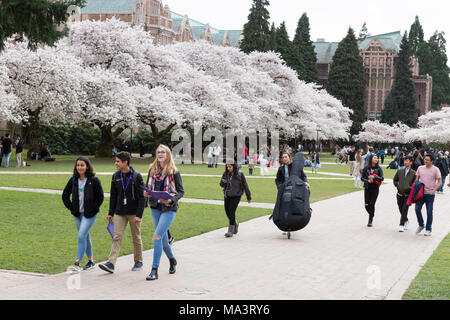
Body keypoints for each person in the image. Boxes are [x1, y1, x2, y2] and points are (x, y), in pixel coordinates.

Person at [99, 152, 145, 274]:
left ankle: (138, 261)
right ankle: (111, 263)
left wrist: (139, 215)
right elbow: (113, 196)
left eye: (118, 161)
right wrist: (110, 213)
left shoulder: (137, 176)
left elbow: (142, 197)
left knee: (136, 237)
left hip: (134, 213)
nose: (116, 163)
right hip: (120, 212)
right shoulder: (115, 176)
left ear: (125, 162)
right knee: (117, 237)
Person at [144, 145, 184, 280]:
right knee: (162, 239)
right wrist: (145, 195)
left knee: (156, 236)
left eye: (163, 152)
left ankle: (154, 270)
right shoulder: (151, 170)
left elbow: (181, 191)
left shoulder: (174, 171)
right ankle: (172, 260)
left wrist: (172, 200)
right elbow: (147, 188)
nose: (160, 154)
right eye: (158, 152)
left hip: (169, 209)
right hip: (155, 207)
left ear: (167, 155)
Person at [62, 157, 104, 271]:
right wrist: (72, 208)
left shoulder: (94, 180)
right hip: (77, 213)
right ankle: (91, 261)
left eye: (82, 165)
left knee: (81, 235)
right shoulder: (73, 180)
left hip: (89, 214)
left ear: (87, 166)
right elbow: (65, 195)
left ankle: (77, 263)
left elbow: (100, 197)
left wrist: (92, 209)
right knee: (85, 236)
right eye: (78, 165)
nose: (79, 167)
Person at [220, 161, 251, 238]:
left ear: (234, 166)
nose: (228, 168)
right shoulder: (225, 173)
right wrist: (223, 182)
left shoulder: (240, 174)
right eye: (227, 167)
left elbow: (245, 185)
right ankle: (235, 224)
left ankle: (230, 230)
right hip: (227, 195)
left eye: (230, 167)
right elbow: (221, 184)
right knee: (227, 212)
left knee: (231, 211)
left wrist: (248, 196)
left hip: (236, 195)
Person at [414, 154, 442, 236]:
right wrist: (415, 189)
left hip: (430, 194)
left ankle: (428, 229)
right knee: (417, 209)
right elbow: (416, 180)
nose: (425, 161)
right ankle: (421, 225)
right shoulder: (420, 168)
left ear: (432, 161)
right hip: (421, 194)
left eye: (427, 160)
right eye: (425, 159)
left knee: (429, 212)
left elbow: (440, 182)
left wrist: (434, 190)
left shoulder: (436, 169)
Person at [393, 156, 416, 232]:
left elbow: (414, 184)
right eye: (405, 161)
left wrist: (409, 188)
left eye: (407, 161)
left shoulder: (413, 173)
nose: (405, 162)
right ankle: (405, 220)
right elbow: (395, 180)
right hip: (399, 194)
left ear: (411, 162)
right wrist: (397, 185)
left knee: (404, 209)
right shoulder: (399, 171)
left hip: (408, 195)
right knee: (400, 209)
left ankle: (401, 224)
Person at [361, 154, 384, 227]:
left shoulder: (379, 168)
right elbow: (362, 178)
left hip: (375, 188)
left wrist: (374, 177)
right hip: (367, 188)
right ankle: (372, 214)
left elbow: (382, 178)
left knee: (372, 204)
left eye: (377, 158)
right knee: (366, 205)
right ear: (371, 159)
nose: (376, 159)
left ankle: (370, 220)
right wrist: (367, 180)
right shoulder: (366, 168)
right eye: (375, 158)